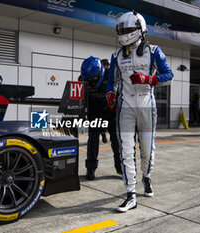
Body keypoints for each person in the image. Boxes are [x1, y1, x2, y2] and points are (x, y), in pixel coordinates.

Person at [106, 11, 174, 212]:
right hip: (125, 107)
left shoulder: (153, 51)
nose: (123, 34)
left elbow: (168, 76)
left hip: (146, 106)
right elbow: (112, 82)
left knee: (146, 150)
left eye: (127, 30)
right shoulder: (116, 55)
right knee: (125, 151)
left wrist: (148, 79)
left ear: (139, 29)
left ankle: (146, 177)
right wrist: (110, 93)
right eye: (121, 30)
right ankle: (130, 194)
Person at [79, 56, 122, 180]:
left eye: (93, 79)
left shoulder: (111, 76)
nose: (90, 82)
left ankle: (120, 167)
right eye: (88, 79)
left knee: (116, 140)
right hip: (95, 111)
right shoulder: (82, 79)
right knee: (92, 139)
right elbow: (81, 99)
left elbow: (120, 93)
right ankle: (90, 169)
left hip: (111, 111)